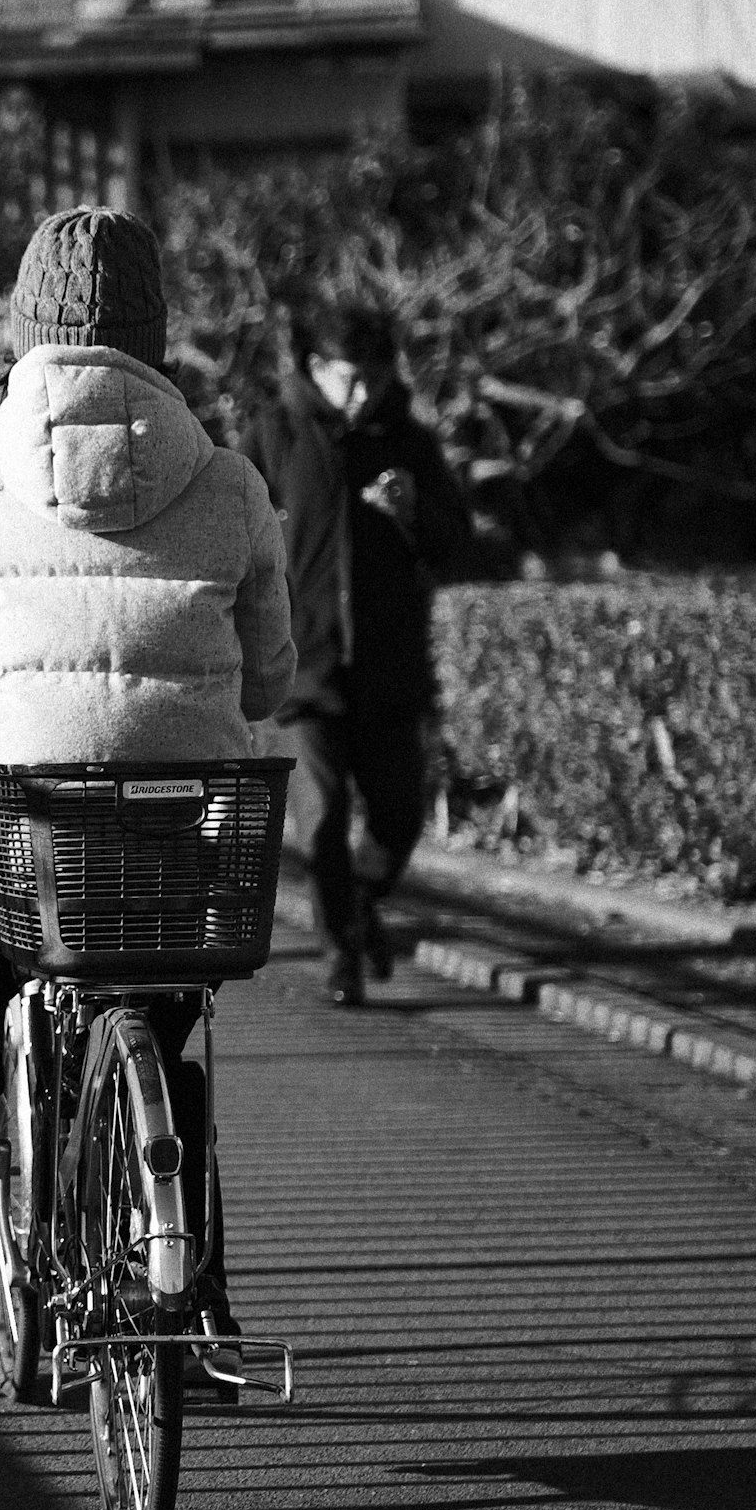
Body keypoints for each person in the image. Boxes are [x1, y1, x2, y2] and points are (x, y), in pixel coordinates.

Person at [0, 206, 291, 1169]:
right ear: (153, 340)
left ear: (25, 336)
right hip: (176, 828)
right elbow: (271, 677)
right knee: (158, 962)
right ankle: (151, 1112)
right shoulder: (233, 484)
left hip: (21, 835)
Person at [243, 302, 473, 1003]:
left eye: (376, 378)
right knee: (325, 820)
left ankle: (365, 902)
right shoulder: (274, 436)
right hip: (302, 669)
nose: (363, 393)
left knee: (400, 816)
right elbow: (231, 535)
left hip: (387, 666)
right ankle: (342, 955)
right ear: (316, 368)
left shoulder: (406, 440)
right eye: (350, 378)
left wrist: (414, 512)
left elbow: (458, 541)